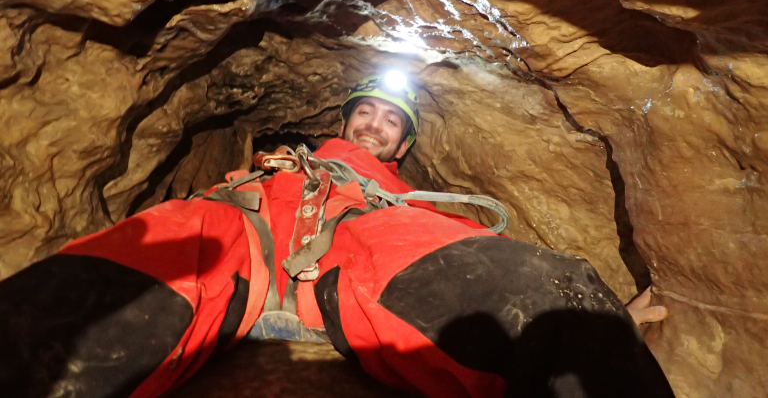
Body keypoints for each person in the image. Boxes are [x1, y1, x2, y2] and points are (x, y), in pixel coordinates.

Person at [0, 71, 675, 398]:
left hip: (369, 233)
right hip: (249, 220)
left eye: (389, 120)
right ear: (344, 122)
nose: (374, 124)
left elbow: (491, 266)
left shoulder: (409, 198)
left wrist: (606, 320)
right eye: (365, 112)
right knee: (68, 298)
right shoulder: (275, 166)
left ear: (402, 144)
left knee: (549, 293)